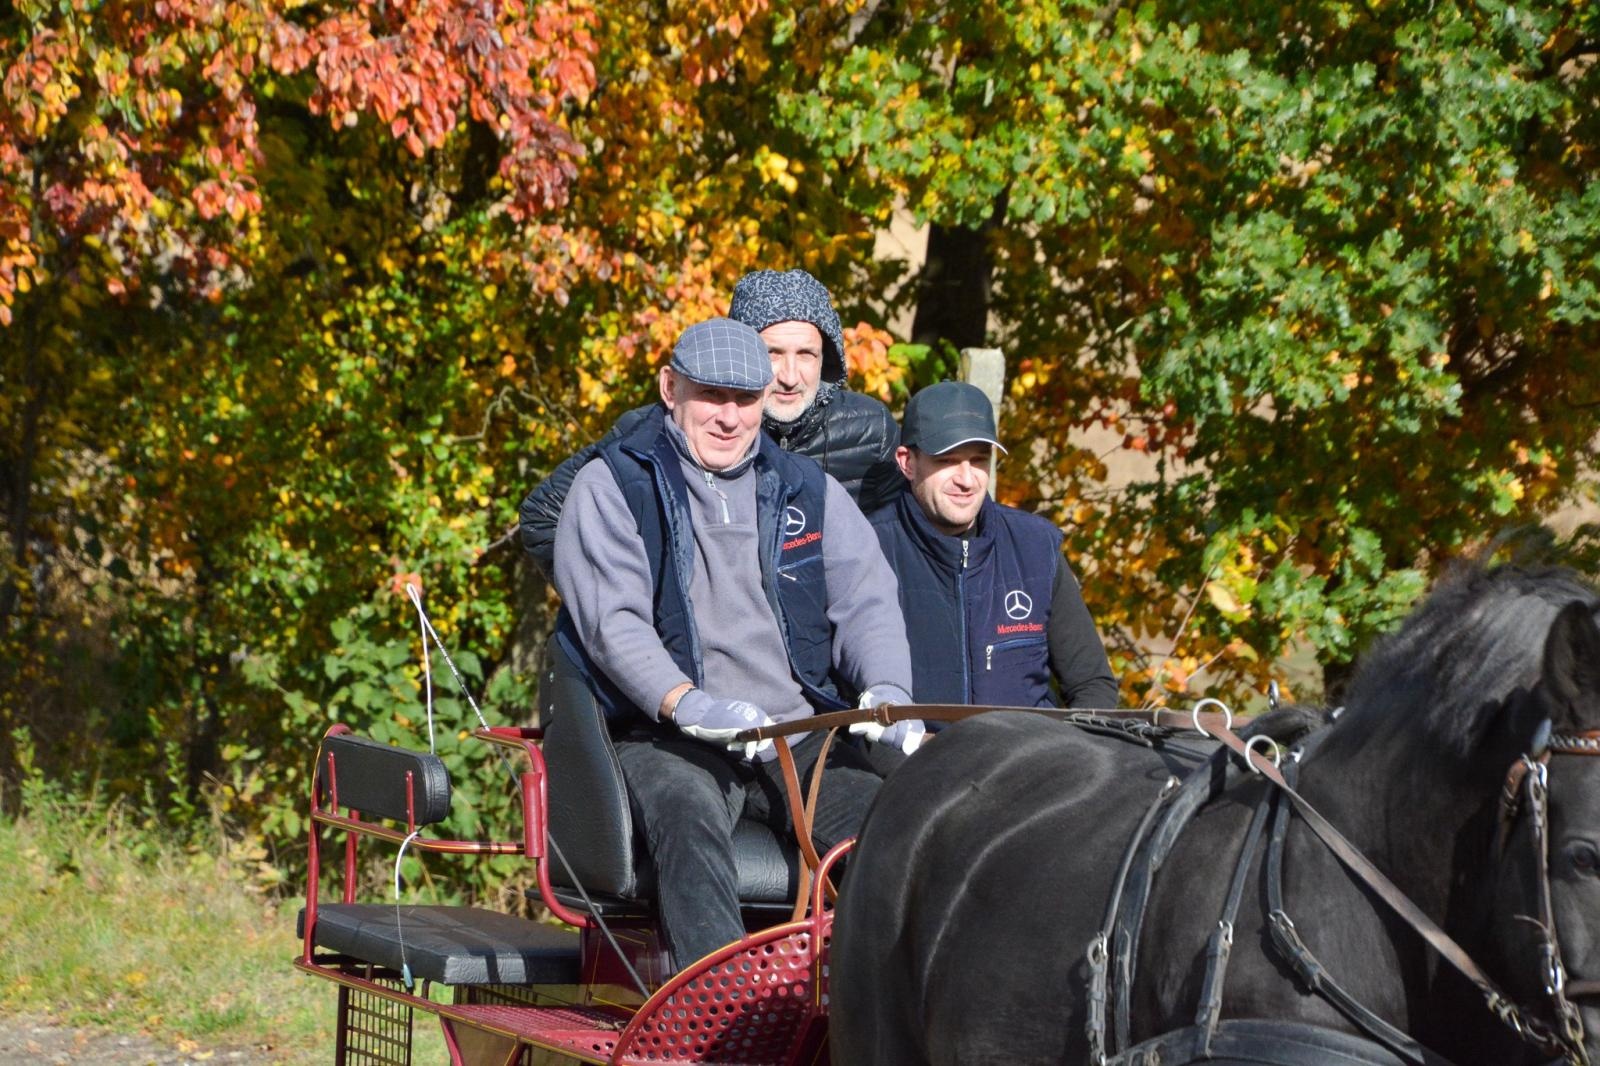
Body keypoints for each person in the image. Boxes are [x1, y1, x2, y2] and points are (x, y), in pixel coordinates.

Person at [552, 317, 921, 974]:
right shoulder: (612, 488)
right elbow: (615, 626)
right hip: (669, 737)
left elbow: (866, 601)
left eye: (744, 399)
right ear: (671, 388)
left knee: (899, 828)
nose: (729, 417)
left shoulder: (809, 490)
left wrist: (889, 691)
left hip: (798, 736)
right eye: (710, 396)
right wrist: (688, 704)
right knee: (687, 823)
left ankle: (864, 1013)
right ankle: (721, 1019)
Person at [520, 268, 901, 576]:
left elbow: (907, 548)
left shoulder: (869, 432)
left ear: (827, 359)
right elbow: (545, 516)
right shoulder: (662, 428)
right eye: (772, 353)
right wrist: (626, 607)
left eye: (806, 354)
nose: (789, 375)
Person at [868, 381, 1118, 715]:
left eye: (979, 460)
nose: (967, 479)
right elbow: (847, 699)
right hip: (920, 761)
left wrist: (1062, 755)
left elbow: (1093, 685)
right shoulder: (869, 549)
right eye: (947, 461)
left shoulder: (1036, 547)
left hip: (1031, 759)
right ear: (907, 462)